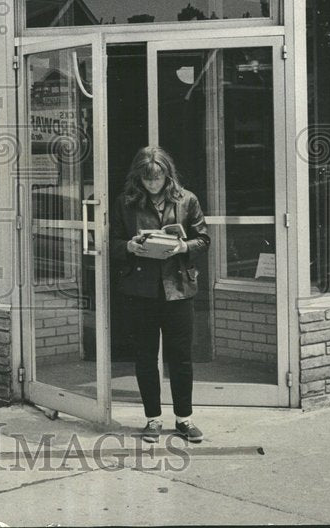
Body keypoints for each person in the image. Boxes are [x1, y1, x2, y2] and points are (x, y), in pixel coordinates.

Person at [109, 146, 210, 444]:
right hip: (141, 290)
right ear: (138, 177)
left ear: (168, 175)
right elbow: (111, 241)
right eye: (147, 179)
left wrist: (182, 247)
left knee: (181, 357)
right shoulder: (126, 203)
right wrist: (129, 246)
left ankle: (184, 418)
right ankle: (152, 419)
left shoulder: (187, 199)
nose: (152, 185)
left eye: (158, 178)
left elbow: (203, 239)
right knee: (145, 356)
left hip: (178, 288)